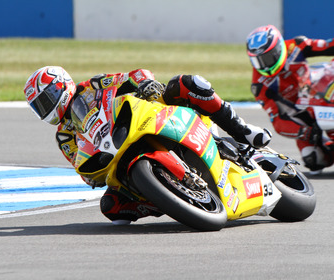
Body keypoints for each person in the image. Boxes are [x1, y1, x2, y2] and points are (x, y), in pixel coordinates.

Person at [23, 66, 272, 225]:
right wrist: (93, 176)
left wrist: (144, 83)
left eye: (45, 101)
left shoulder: (92, 86)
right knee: (112, 207)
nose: (44, 110)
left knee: (188, 83)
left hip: (145, 117)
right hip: (117, 152)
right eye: (39, 108)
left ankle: (243, 131)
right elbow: (80, 166)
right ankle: (167, 197)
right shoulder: (64, 136)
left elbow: (129, 76)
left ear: (61, 87)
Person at [246, 24, 334, 174]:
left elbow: (327, 45)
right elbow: (278, 121)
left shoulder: (296, 46)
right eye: (258, 61)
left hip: (318, 88)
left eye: (267, 58)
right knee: (313, 159)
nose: (264, 65)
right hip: (300, 112)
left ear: (278, 49)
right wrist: (304, 132)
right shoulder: (260, 85)